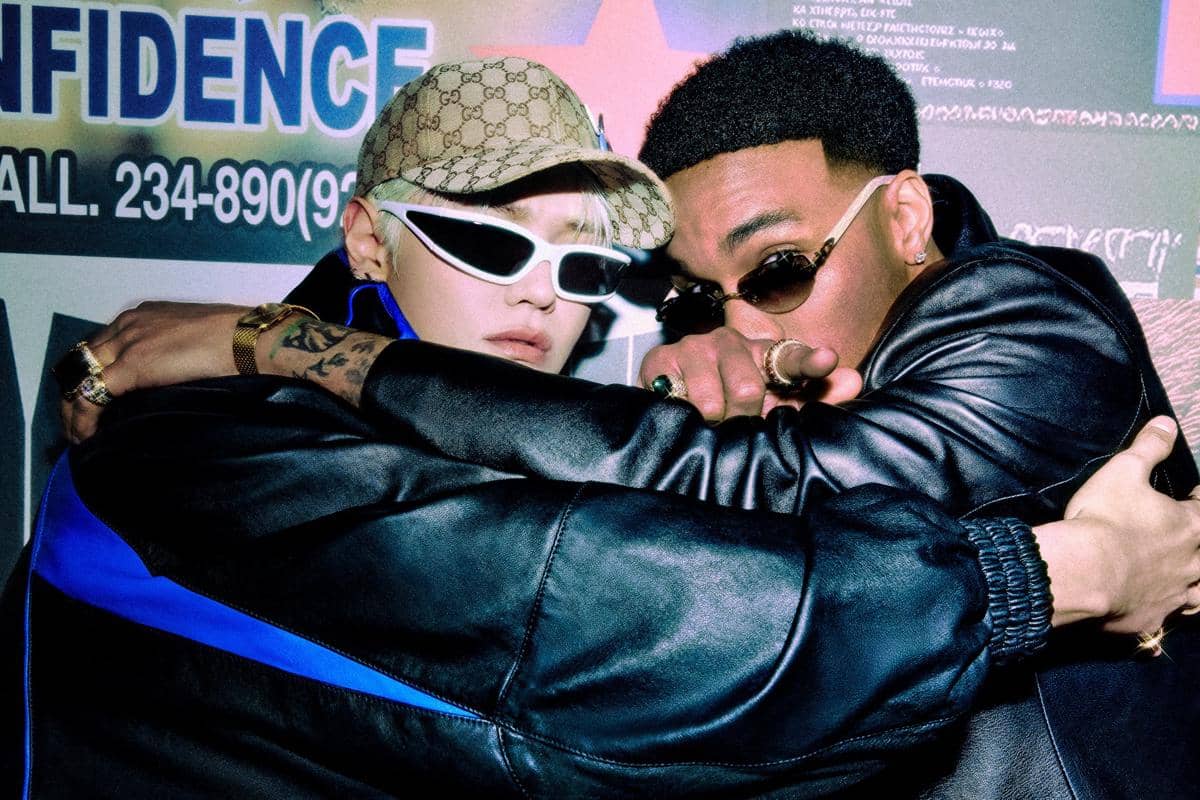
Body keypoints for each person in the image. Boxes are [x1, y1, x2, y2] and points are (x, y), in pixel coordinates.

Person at [11, 51, 1200, 799]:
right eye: (487, 240)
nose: (543, 296)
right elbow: (650, 598)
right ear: (369, 239)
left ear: (904, 216)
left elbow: (749, 514)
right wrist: (1066, 574)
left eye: (583, 266)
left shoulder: (1037, 320)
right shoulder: (225, 435)